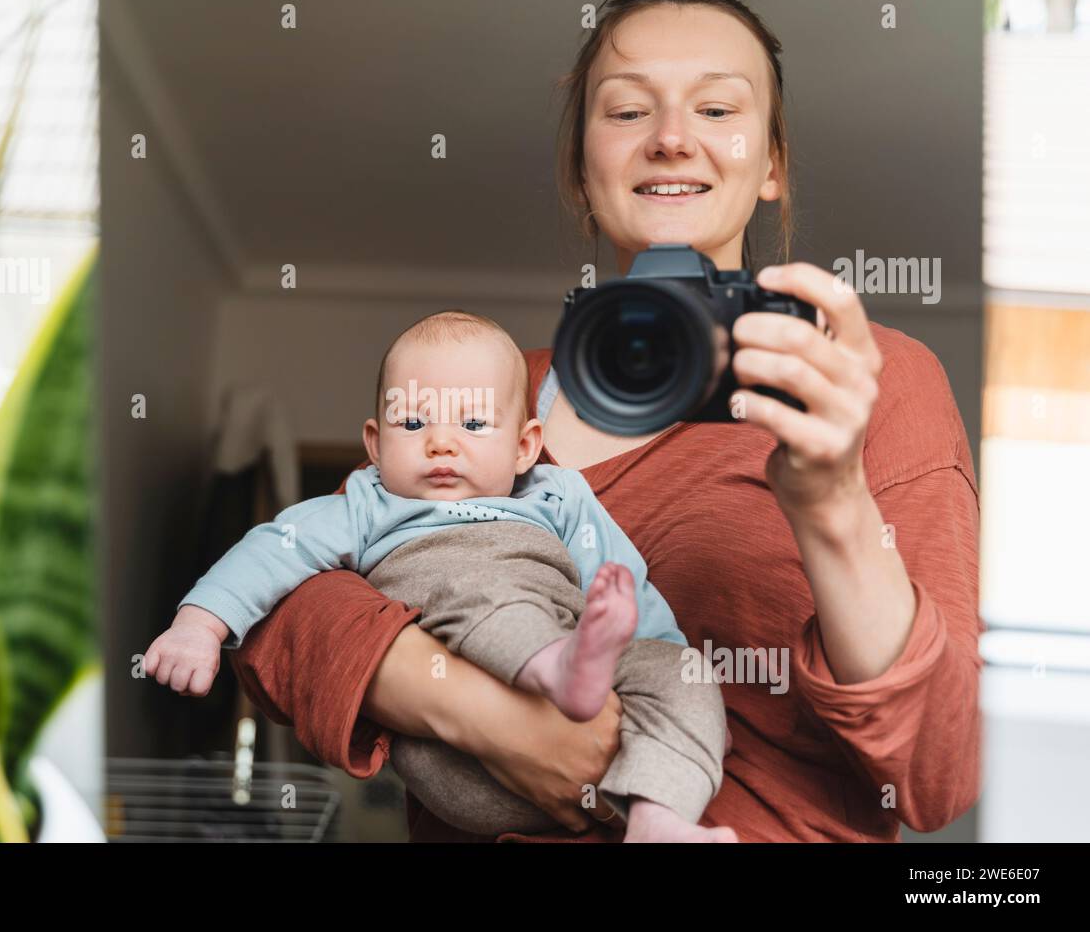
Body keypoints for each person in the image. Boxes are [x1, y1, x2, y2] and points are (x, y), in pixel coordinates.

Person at [163, 0, 983, 842]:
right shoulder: (483, 390)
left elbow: (937, 771)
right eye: (627, 112)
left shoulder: (866, 380)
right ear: (582, 167)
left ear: (770, 162)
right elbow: (283, 622)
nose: (671, 139)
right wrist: (492, 720)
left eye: (717, 109)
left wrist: (832, 503)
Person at [146, 310, 737, 842]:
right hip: (462, 770)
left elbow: (621, 584)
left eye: (475, 426)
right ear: (374, 445)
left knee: (681, 674)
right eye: (413, 424)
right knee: (477, 588)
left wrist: (662, 691)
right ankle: (554, 666)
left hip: (588, 731)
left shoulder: (559, 497)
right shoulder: (367, 503)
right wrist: (199, 625)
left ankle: (658, 819)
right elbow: (274, 550)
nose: (441, 444)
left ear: (526, 447)